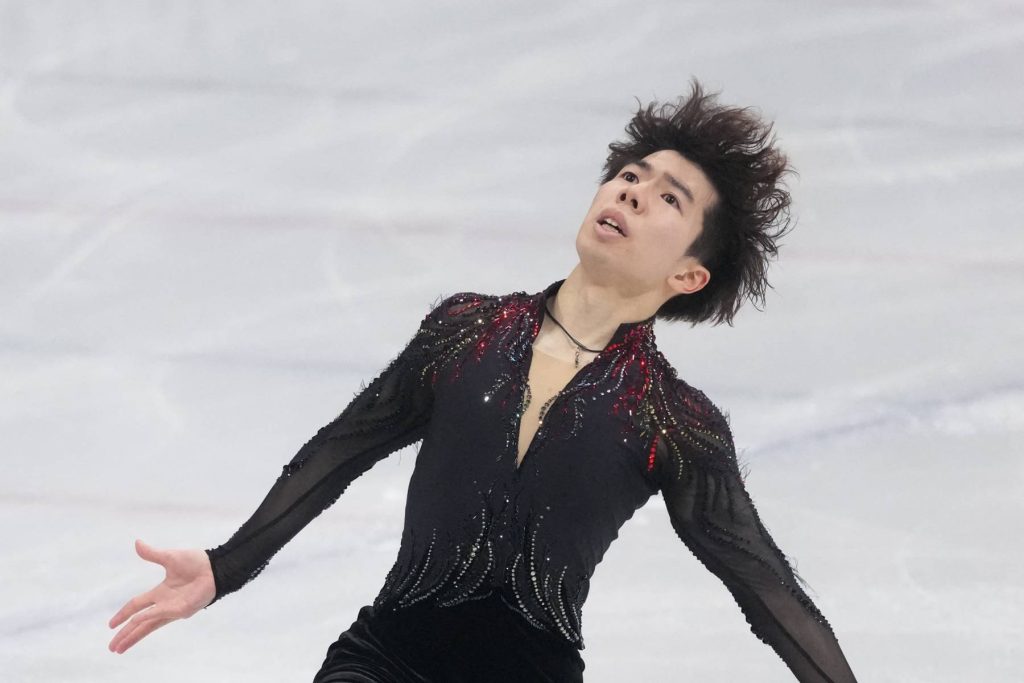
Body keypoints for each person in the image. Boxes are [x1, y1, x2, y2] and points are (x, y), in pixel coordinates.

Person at [108, 78, 859, 682]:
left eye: (669, 198)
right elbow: (341, 448)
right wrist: (225, 565)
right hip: (383, 661)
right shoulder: (467, 330)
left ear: (689, 272)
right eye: (629, 175)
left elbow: (767, 591)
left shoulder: (671, 420)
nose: (630, 192)